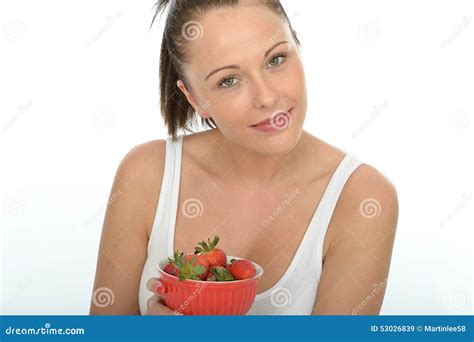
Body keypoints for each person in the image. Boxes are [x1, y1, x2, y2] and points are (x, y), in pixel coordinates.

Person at [90, 0, 398, 315]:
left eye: (276, 59)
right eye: (229, 80)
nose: (266, 97)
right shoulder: (146, 173)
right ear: (194, 98)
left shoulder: (362, 197)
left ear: (297, 44)